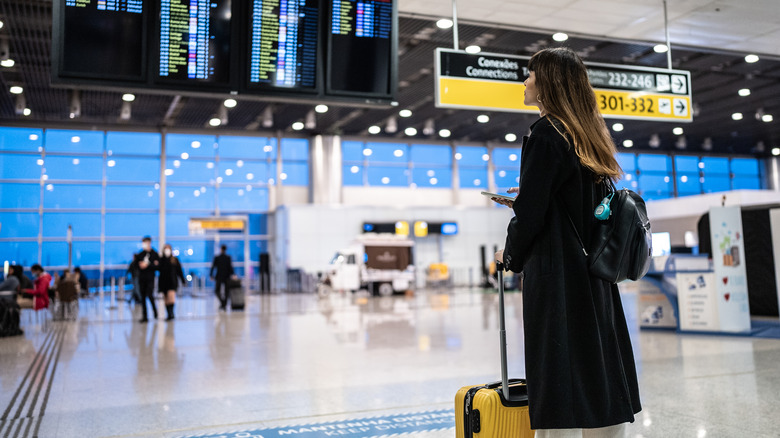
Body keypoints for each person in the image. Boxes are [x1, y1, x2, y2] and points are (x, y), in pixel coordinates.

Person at [493, 47, 641, 436]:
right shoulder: (586, 132)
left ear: (548, 83)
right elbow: (578, 200)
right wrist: (530, 192)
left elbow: (531, 215)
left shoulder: (546, 132)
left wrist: (509, 254)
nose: (524, 82)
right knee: (598, 364)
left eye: (530, 75)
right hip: (594, 271)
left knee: (556, 368)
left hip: (558, 273)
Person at [130, 236, 160, 322]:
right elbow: (135, 265)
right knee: (142, 297)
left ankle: (155, 312)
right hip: (142, 279)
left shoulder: (154, 254)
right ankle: (145, 316)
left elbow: (158, 266)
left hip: (150, 279)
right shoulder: (140, 254)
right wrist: (141, 265)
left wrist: (148, 265)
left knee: (150, 295)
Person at [158, 244, 186, 321]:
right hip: (163, 281)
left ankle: (171, 313)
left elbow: (179, 271)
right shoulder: (161, 259)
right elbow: (157, 269)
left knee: (171, 297)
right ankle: (169, 314)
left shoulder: (174, 260)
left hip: (172, 281)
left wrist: (183, 281)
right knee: (166, 299)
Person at [210, 245, 234, 311]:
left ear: (221, 249)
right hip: (226, 276)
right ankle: (224, 303)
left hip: (219, 277)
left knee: (217, 291)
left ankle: (223, 303)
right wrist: (233, 274)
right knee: (226, 291)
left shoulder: (217, 257)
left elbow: (213, 267)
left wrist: (211, 275)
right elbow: (230, 267)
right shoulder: (228, 258)